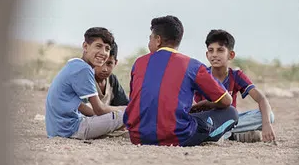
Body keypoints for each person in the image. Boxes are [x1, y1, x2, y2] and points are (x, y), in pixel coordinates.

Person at [123, 15, 238, 146]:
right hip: (177, 137)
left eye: (150, 38)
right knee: (231, 113)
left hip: (138, 136)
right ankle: (209, 137)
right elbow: (226, 101)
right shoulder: (192, 65)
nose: (149, 43)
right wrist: (202, 106)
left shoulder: (139, 63)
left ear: (158, 40)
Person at [192, 29, 276, 143]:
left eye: (220, 50)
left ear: (231, 55)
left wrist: (266, 125)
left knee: (269, 116)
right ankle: (233, 135)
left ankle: (224, 134)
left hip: (231, 120)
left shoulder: (236, 75)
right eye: (211, 51)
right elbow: (193, 107)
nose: (215, 55)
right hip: (208, 121)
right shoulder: (202, 75)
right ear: (207, 55)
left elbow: (261, 98)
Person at [45, 26, 125, 140]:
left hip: (57, 129)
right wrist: (126, 109)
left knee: (116, 117)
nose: (103, 52)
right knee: (126, 115)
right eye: (98, 46)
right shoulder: (83, 69)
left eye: (107, 48)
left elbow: (80, 106)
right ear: (85, 46)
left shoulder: (75, 64)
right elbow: (99, 109)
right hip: (69, 129)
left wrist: (104, 119)